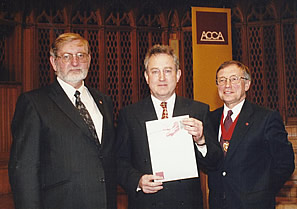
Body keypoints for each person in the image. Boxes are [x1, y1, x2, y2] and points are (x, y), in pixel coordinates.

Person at [8, 33, 117, 209]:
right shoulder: (34, 103)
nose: (75, 62)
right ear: (54, 62)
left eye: (80, 55)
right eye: (67, 56)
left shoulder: (104, 101)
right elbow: (24, 170)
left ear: (89, 59)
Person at [116, 44, 223, 209]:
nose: (162, 78)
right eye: (155, 71)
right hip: (146, 203)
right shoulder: (129, 115)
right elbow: (119, 161)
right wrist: (137, 180)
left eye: (167, 71)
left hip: (187, 203)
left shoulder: (198, 110)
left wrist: (201, 141)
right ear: (146, 77)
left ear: (178, 74)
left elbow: (214, 163)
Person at [208, 60, 295, 209]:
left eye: (234, 79)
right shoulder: (210, 119)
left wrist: (262, 192)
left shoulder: (266, 118)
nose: (227, 85)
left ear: (247, 84)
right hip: (218, 203)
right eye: (222, 80)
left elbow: (285, 164)